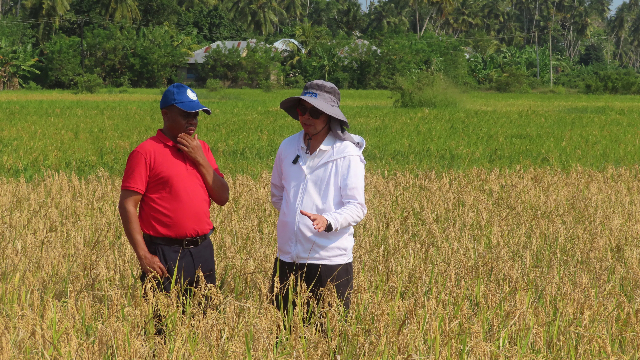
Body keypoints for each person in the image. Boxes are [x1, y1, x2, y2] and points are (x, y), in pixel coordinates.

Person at [118, 83, 229, 295]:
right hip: (164, 253)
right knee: (164, 325)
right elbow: (127, 205)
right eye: (186, 114)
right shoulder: (145, 153)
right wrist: (143, 255)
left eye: (196, 115)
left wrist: (200, 159)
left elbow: (223, 196)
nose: (193, 121)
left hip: (202, 250)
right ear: (166, 114)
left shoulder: (202, 148)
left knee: (204, 322)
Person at [270, 80, 367, 313]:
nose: (306, 117)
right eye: (302, 110)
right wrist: (294, 219)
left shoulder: (346, 154)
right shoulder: (287, 147)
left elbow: (356, 207)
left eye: (314, 112)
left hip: (329, 262)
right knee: (283, 334)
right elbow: (278, 195)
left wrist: (327, 220)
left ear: (329, 116)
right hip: (288, 258)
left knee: (327, 339)